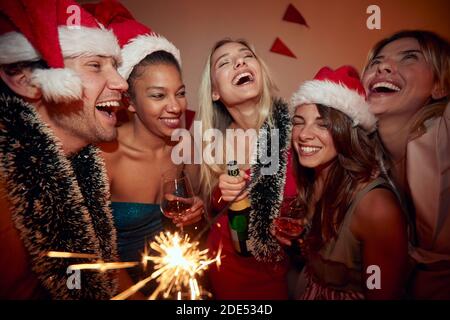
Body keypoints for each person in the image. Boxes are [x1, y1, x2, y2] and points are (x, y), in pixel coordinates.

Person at [0, 0, 128, 299]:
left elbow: (102, 271)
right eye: (95, 65)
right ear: (25, 78)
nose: (121, 83)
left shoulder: (81, 168)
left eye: (116, 67)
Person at [86, 0, 205, 298]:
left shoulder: (185, 146)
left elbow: (194, 221)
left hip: (173, 281)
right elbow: (91, 254)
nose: (175, 106)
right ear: (130, 102)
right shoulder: (106, 156)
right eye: (157, 95)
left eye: (180, 93)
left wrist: (198, 211)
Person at [276, 66, 409, 299]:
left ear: (347, 132)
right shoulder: (310, 179)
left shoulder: (376, 208)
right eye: (299, 121)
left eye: (323, 124)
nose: (303, 134)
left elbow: (382, 292)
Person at [196, 38, 297, 299]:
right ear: (214, 92)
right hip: (226, 269)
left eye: (246, 56)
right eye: (224, 62)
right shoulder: (212, 144)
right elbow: (206, 211)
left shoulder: (294, 133)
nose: (239, 61)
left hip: (275, 271)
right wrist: (217, 193)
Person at [362, 30, 450, 299]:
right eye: (376, 61)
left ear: (441, 86)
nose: (384, 66)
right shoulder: (370, 158)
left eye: (410, 58)